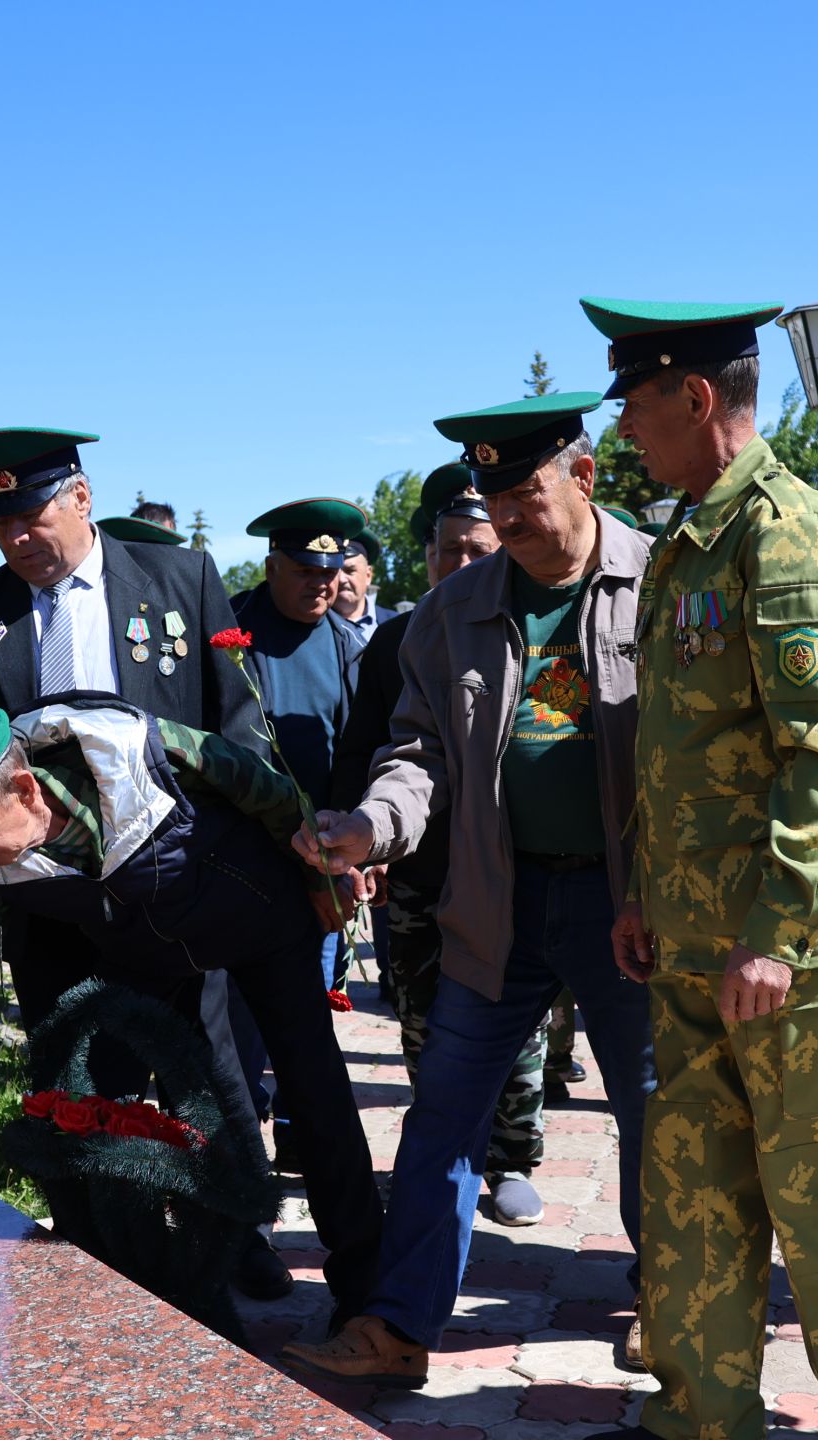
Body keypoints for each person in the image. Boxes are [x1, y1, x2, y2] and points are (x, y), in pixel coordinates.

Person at [589, 297, 818, 1440]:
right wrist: (643, 893)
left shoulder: (791, 532)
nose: (623, 430)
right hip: (690, 944)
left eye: (633, 406)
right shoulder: (693, 533)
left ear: (693, 398)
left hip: (793, 959)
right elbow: (679, 749)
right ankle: (702, 1417)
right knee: (692, 1201)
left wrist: (776, 931)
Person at [0, 702, 383, 1330]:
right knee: (101, 1102)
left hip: (262, 919)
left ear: (24, 789)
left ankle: (366, 1296)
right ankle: (169, 1262)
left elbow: (269, 791)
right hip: (150, 954)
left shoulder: (148, 755)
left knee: (314, 1095)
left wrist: (322, 875)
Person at [280, 392, 656, 1387]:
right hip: (499, 902)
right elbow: (418, 753)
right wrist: (368, 826)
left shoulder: (662, 583)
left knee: (657, 1109)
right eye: (494, 494)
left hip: (633, 909)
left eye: (526, 490)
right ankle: (397, 1326)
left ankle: (671, 1301)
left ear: (583, 475)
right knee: (443, 1112)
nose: (510, 514)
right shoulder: (451, 612)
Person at [0, 426, 287, 1297]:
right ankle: (95, 1234)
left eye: (32, 515)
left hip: (177, 884)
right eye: (0, 524)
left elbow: (236, 727)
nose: (17, 538)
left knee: (210, 1066)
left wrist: (257, 856)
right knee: (74, 1065)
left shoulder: (180, 579)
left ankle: (239, 1229)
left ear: (80, 497)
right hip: (49, 896)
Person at [329, 463, 551, 1229]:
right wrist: (368, 844)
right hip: (421, 868)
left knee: (517, 1017)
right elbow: (365, 750)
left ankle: (512, 1159)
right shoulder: (398, 638)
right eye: (447, 550)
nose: (460, 565)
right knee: (424, 1016)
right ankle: (443, 1155)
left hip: (514, 863)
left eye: (476, 548)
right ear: (426, 555)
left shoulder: (528, 624)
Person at [228, 498, 369, 1168]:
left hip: (321, 865)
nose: (324, 585)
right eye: (307, 572)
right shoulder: (231, 628)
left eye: (332, 572)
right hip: (241, 860)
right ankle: (235, 1146)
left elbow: (361, 749)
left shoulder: (346, 643)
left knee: (308, 1013)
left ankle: (297, 1134)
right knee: (238, 1020)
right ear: (272, 567)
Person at [333, 529, 382, 639]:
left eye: (350, 571)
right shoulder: (309, 625)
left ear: (368, 576)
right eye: (334, 571)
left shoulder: (399, 625)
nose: (341, 579)